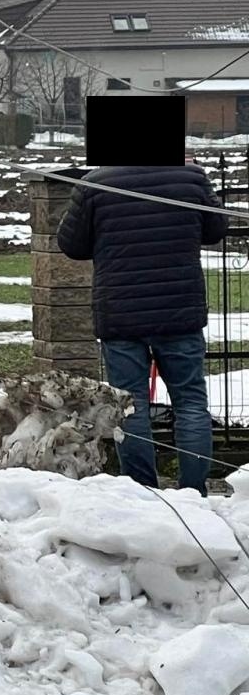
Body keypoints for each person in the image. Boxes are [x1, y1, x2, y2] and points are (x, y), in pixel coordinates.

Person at [57, 164, 227, 494]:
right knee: (190, 403)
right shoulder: (192, 178)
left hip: (120, 313)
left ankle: (142, 494)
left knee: (130, 409)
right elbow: (215, 229)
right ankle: (193, 493)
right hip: (179, 310)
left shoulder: (95, 184)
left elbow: (71, 244)